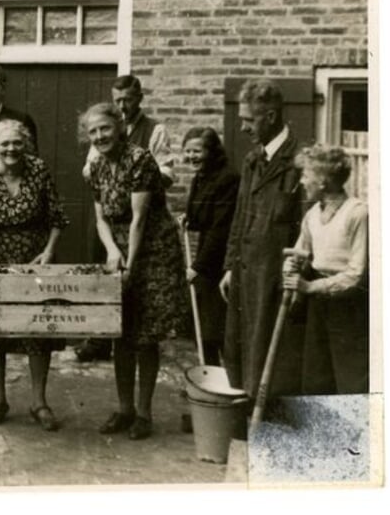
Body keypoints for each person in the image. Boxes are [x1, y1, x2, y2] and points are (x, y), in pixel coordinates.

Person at [85, 102, 189, 440]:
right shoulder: (97, 165)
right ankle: (124, 408)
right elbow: (100, 217)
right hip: (120, 252)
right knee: (120, 332)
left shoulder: (140, 159)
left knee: (144, 336)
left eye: (104, 128)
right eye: (93, 132)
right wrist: (114, 253)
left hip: (152, 253)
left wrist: (130, 263)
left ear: (119, 126)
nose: (99, 136)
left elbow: (140, 218)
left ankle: (144, 412)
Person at [0, 119, 66, 431]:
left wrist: (49, 252)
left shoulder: (38, 170)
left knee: (39, 330)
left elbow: (56, 217)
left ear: (26, 145)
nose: (11, 149)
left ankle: (39, 402)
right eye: (5, 144)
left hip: (34, 260)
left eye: (17, 143)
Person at [77, 74, 176, 363]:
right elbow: (90, 171)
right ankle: (99, 339)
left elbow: (165, 174)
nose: (123, 105)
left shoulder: (154, 132)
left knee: (143, 325)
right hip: (112, 218)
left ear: (139, 98)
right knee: (108, 288)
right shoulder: (99, 142)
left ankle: (141, 404)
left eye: (127, 100)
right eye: (117, 100)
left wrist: (139, 184)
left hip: (141, 223)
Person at [221, 79, 307, 399]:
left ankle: (267, 423)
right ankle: (245, 415)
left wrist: (295, 276)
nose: (243, 127)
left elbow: (307, 229)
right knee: (238, 349)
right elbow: (240, 217)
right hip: (245, 273)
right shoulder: (252, 160)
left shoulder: (299, 161)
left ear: (270, 117)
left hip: (274, 276)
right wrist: (230, 266)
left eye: (249, 120)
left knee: (271, 353)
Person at [283, 146, 369, 395]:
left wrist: (311, 287)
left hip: (349, 308)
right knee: (317, 376)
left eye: (306, 175)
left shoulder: (357, 213)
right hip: (317, 305)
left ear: (322, 181)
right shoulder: (312, 214)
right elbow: (301, 253)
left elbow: (356, 274)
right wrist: (292, 265)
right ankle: (321, 433)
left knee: (350, 377)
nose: (302, 181)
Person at [182, 127, 240, 366]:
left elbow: (220, 228)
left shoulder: (227, 178)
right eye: (188, 152)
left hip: (222, 262)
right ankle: (211, 377)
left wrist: (198, 267)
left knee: (217, 331)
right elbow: (197, 217)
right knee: (205, 331)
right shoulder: (200, 177)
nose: (192, 157)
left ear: (212, 151)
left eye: (197, 151)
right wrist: (187, 220)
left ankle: (229, 382)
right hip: (208, 259)